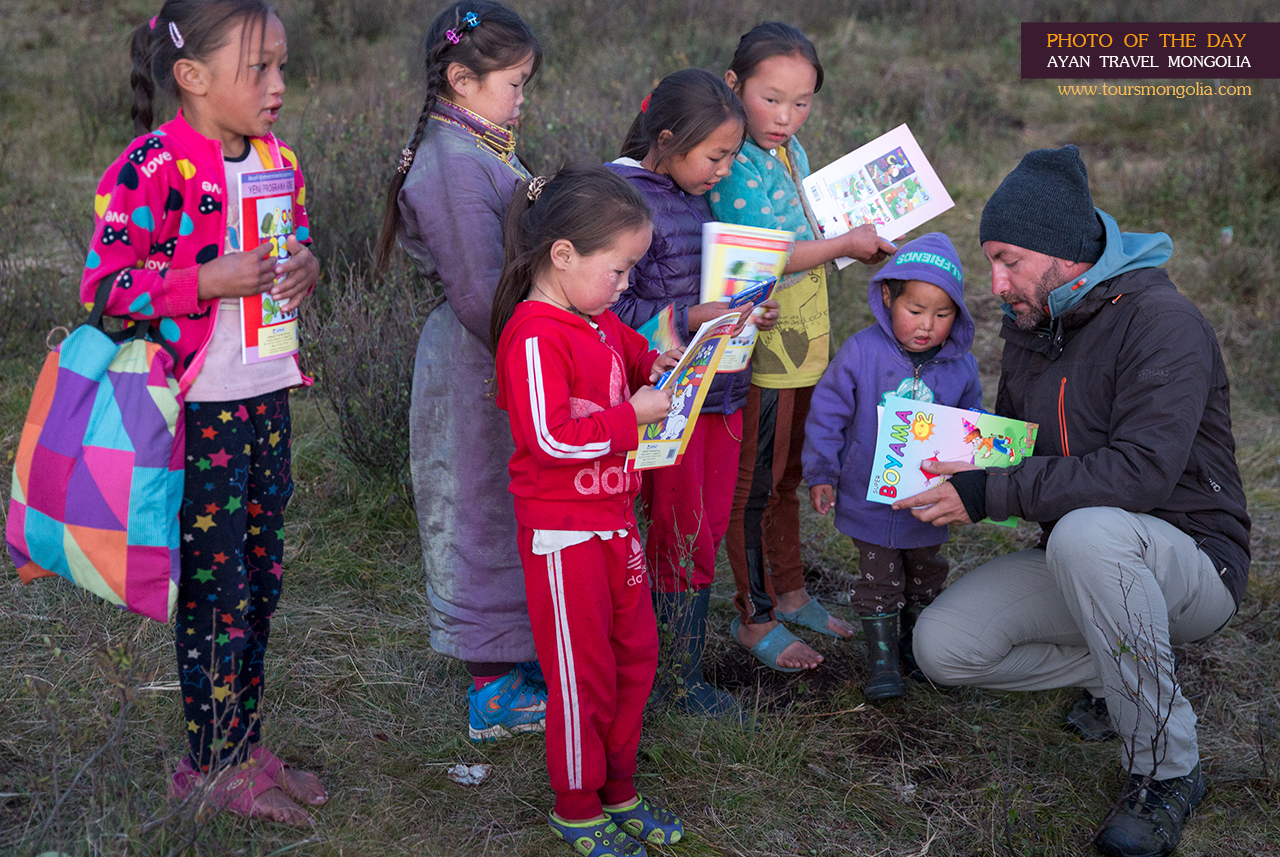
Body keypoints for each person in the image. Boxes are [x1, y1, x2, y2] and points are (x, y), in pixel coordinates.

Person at [901, 145, 1250, 857]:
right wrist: (950, 454)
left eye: (1009, 261)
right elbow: (1023, 449)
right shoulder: (1035, 321)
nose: (995, 283)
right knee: (942, 648)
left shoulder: (1163, 322)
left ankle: (1166, 768)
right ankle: (1119, 667)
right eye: (991, 262)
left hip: (1191, 563)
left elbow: (1141, 475)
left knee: (1090, 531)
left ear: (1064, 253)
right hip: (1083, 558)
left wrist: (989, 489)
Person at [81, 0, 325, 824]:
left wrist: (307, 268)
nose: (278, 85)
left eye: (282, 66)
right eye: (258, 68)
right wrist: (203, 282)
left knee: (262, 579)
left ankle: (243, 739)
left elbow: (292, 246)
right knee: (215, 592)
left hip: (264, 398)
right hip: (195, 415)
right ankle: (210, 761)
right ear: (191, 77)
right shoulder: (150, 166)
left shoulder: (277, 159)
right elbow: (105, 288)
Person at [491, 164, 688, 857]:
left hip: (613, 525)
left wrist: (660, 367)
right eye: (620, 268)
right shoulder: (535, 334)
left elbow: (639, 357)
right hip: (562, 535)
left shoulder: (597, 320)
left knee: (635, 654)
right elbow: (545, 436)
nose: (626, 284)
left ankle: (618, 787)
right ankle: (576, 804)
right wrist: (631, 418)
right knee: (582, 671)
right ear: (563, 255)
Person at [374, 1, 549, 744]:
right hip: (478, 364)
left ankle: (517, 656)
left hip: (504, 350)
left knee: (508, 503)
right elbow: (481, 293)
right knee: (476, 505)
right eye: (514, 82)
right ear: (461, 78)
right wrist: (543, 349)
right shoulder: (451, 162)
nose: (522, 97)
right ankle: (492, 687)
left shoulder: (480, 143)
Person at [708, 22, 895, 672]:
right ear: (734, 86)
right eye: (771, 97)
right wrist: (847, 245)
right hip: (762, 350)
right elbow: (775, 253)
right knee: (752, 484)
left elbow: (814, 226)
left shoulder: (793, 152)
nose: (786, 116)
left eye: (802, 101)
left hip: (804, 340)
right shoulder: (734, 162)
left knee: (788, 474)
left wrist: (863, 238)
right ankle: (752, 616)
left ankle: (789, 591)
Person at [605, 68, 779, 719]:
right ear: (669, 138)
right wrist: (691, 317)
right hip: (673, 399)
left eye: (734, 155)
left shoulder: (694, 194)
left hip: (723, 392)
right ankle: (673, 678)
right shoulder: (624, 198)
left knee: (704, 527)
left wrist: (742, 314)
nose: (725, 169)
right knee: (681, 534)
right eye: (717, 155)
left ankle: (680, 669)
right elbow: (614, 308)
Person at [802, 233, 980, 700]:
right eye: (916, 311)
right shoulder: (862, 353)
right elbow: (828, 413)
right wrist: (821, 471)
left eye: (942, 316)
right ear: (887, 297)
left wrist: (971, 470)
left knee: (927, 575)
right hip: (868, 496)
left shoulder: (960, 368)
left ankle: (920, 650)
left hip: (927, 499)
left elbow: (970, 425)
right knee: (879, 579)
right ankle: (882, 662)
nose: (927, 326)